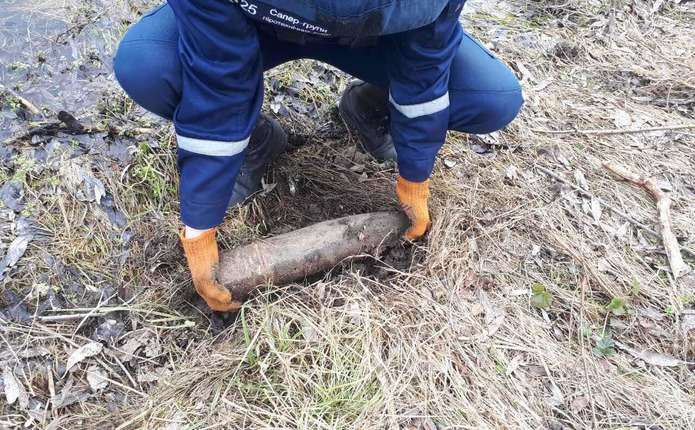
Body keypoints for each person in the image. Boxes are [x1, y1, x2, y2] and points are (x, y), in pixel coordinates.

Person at [114, 0, 523, 311]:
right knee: (151, 66)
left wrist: (414, 175)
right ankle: (252, 142)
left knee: (489, 97)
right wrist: (200, 224)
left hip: (375, 37)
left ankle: (373, 110)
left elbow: (427, 66)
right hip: (259, 25)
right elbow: (216, 79)